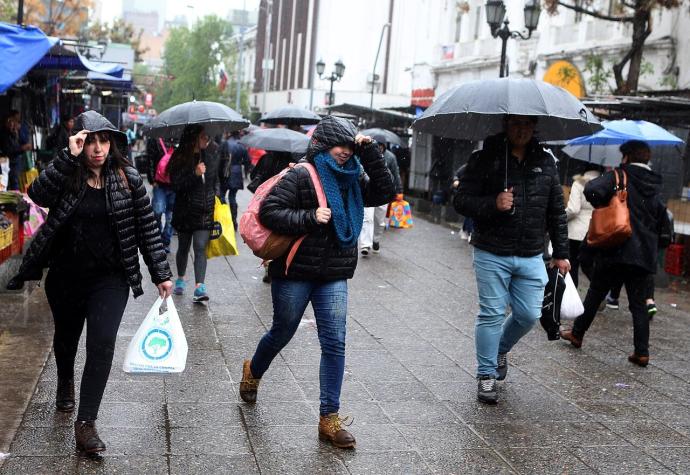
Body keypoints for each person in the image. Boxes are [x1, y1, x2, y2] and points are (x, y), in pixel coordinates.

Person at [6, 110, 172, 454]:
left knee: (102, 342)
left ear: (112, 143)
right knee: (66, 340)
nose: (97, 148)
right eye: (89, 140)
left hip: (110, 279)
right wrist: (68, 156)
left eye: (103, 140)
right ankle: (65, 379)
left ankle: (86, 424)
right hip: (66, 276)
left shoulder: (127, 177)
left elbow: (147, 228)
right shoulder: (68, 173)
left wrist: (161, 273)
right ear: (79, 142)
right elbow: (37, 194)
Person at [238, 116, 394, 449]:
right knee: (283, 330)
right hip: (295, 272)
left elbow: (385, 192)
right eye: (340, 146)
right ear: (322, 145)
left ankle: (329, 418)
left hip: (334, 274)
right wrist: (310, 217)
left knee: (335, 342)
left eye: (349, 146)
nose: (344, 152)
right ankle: (253, 370)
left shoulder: (353, 177)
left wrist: (370, 154)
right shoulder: (301, 175)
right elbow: (270, 213)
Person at [454, 115, 570, 404]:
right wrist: (493, 203)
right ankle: (486, 375)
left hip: (532, 253)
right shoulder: (484, 158)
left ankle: (499, 349)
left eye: (527, 125)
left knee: (529, 314)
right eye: (516, 124)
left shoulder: (546, 163)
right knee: (491, 313)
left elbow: (556, 210)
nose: (522, 130)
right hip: (491, 251)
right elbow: (461, 200)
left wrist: (562, 253)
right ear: (505, 126)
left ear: (534, 128)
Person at [561, 141, 671, 367]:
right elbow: (662, 217)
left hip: (616, 248)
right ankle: (642, 352)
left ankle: (577, 334)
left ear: (626, 157)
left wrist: (608, 202)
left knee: (596, 293)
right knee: (639, 304)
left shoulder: (620, 176)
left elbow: (591, 189)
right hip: (643, 254)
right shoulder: (655, 183)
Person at [167, 125, 221, 303]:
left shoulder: (211, 155)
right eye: (203, 136)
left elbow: (215, 181)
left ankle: (200, 286)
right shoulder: (179, 157)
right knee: (183, 248)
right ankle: (181, 278)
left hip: (205, 210)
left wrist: (217, 196)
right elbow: (177, 185)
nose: (207, 139)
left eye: (207, 136)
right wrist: (194, 174)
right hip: (185, 211)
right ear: (193, 138)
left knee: (200, 247)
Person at [358, 135, 402, 256]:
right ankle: (365, 245)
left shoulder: (391, 157)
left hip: (383, 190)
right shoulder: (365, 153)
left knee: (379, 220)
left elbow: (396, 174)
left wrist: (399, 190)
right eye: (378, 145)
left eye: (382, 146)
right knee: (367, 218)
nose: (380, 148)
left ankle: (376, 240)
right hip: (369, 188)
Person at [565, 164, 602, 287]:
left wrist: (560, 218)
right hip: (597, 229)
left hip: (576, 232)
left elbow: (573, 209)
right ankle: (599, 290)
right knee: (591, 265)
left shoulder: (579, 183)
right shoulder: (605, 183)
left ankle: (573, 295)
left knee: (573, 265)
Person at [146, 136, 176, 253]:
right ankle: (157, 239)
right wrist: (152, 179)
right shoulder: (156, 138)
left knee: (171, 217)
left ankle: (165, 241)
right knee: (157, 212)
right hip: (159, 184)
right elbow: (151, 159)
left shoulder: (180, 137)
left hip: (175, 185)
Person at [220, 131, 250, 228]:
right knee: (232, 197)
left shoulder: (225, 143)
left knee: (222, 196)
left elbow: (219, 158)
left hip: (225, 172)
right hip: (236, 173)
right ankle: (233, 220)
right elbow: (247, 161)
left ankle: (223, 219)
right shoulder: (241, 145)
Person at [0, 111, 32, 190]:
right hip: (6, 163)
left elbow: (23, 141)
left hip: (16, 162)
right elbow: (8, 150)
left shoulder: (14, 132)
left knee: (15, 183)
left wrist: (17, 133)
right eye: (9, 121)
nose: (11, 124)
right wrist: (22, 148)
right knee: (5, 184)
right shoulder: (3, 134)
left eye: (12, 121)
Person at [452, 164, 474, 241]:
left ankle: (466, 230)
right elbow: (456, 175)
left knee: (471, 213)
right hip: (466, 194)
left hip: (474, 195)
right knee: (470, 213)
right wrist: (456, 181)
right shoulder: (466, 167)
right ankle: (469, 231)